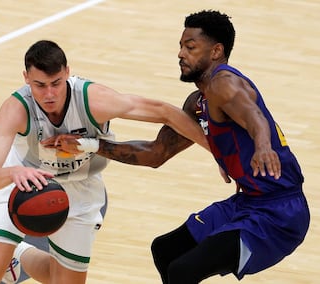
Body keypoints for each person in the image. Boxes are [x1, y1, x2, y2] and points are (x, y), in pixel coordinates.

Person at [48, 10, 310, 284]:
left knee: (183, 271)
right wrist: (89, 145)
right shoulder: (198, 102)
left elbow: (254, 117)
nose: (180, 54)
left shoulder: (225, 84)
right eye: (181, 46)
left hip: (280, 214)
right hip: (249, 202)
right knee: (166, 250)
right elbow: (156, 153)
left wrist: (263, 146)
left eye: (191, 47)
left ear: (216, 51)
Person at [0, 39, 209, 284]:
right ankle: (3, 255)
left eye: (56, 83)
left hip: (78, 189)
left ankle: (18, 254)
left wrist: (216, 151)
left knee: (59, 279)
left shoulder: (94, 100)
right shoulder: (16, 109)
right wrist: (13, 173)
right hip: (24, 181)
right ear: (26, 78)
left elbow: (164, 112)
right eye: (40, 85)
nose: (49, 94)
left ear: (67, 73)